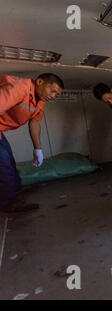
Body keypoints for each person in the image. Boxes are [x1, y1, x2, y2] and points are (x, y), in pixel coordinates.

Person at [0, 73, 64, 213]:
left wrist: (38, 149)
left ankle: (15, 192)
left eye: (56, 94)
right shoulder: (19, 87)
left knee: (9, 161)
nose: (53, 96)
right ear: (40, 82)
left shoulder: (40, 100)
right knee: (3, 165)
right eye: (52, 91)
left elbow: (35, 122)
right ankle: (8, 203)